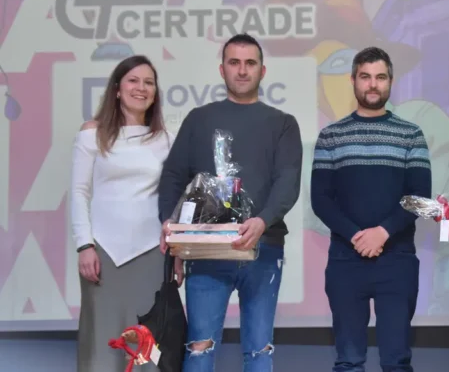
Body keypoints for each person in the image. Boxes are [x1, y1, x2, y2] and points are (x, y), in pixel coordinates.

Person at [157, 33, 303, 372]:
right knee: (199, 349)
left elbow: (288, 181)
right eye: (234, 63)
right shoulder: (198, 119)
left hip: (263, 248)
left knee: (259, 350)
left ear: (262, 71)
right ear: (222, 70)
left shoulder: (282, 124)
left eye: (250, 63)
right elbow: (173, 176)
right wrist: (170, 225)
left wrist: (263, 220)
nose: (242, 70)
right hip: (205, 251)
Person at [310, 46, 432, 372]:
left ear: (391, 81)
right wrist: (356, 236)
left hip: (397, 261)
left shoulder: (411, 135)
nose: (373, 85)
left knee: (397, 361)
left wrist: (383, 232)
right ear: (353, 81)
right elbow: (320, 200)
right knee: (348, 361)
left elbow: (420, 197)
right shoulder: (331, 136)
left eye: (380, 77)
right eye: (365, 77)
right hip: (345, 262)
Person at [70, 55, 178, 371]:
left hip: (152, 254)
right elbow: (79, 192)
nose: (140, 88)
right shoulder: (92, 132)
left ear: (155, 92)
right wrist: (84, 245)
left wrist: (179, 253)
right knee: (102, 345)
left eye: (148, 82)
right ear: (117, 88)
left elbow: (173, 201)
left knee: (147, 347)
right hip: (102, 254)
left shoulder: (167, 140)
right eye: (133, 80)